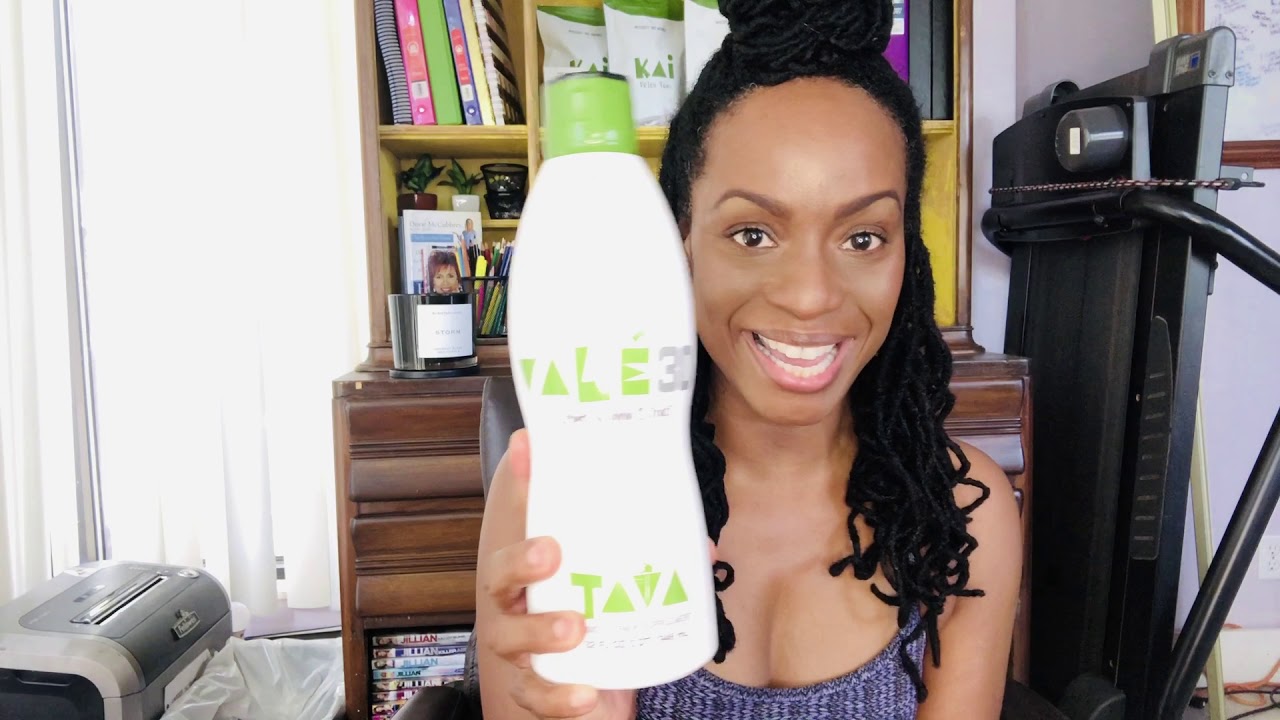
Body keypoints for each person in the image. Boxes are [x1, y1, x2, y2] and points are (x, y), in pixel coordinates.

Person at [473, 0, 1023, 717]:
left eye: (863, 238)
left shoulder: (962, 515)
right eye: (752, 234)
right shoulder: (542, 500)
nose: (810, 296)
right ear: (679, 244)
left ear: (906, 258)